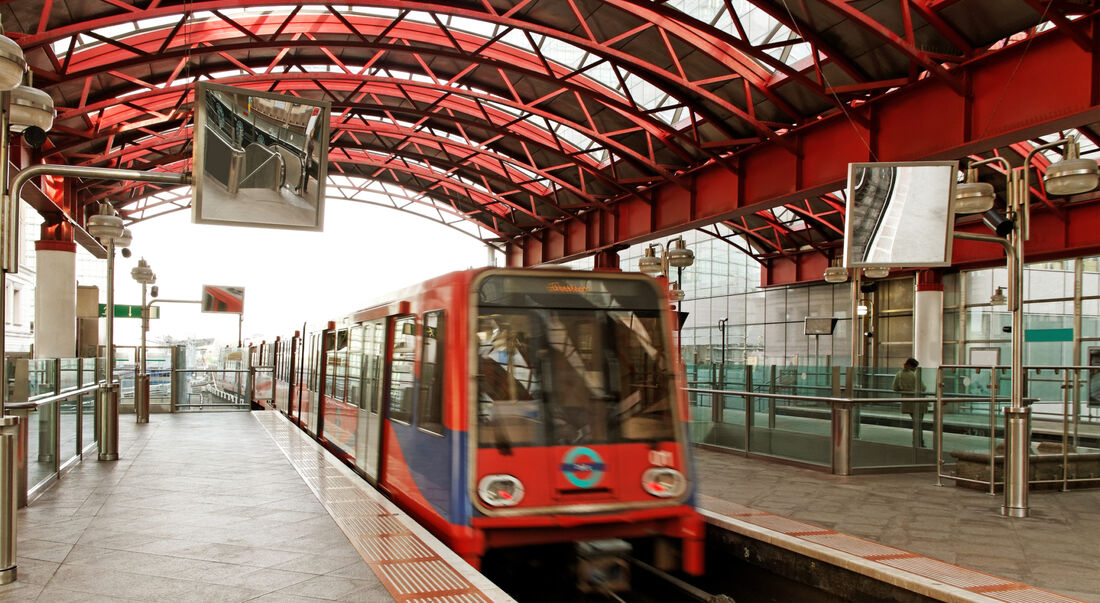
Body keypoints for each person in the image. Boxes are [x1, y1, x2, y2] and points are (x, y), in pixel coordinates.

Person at [892, 357, 927, 447]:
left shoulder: (899, 374)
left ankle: (917, 442)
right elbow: (922, 388)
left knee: (915, 423)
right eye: (915, 367)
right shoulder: (914, 375)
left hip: (907, 401)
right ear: (912, 366)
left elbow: (895, 388)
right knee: (918, 424)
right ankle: (918, 442)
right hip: (918, 401)